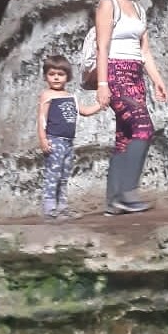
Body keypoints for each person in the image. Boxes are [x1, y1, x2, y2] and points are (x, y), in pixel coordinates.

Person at [95, 0, 168, 216]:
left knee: (125, 138)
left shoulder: (138, 8)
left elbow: (145, 51)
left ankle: (113, 201)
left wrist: (157, 80)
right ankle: (128, 193)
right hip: (116, 72)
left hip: (136, 75)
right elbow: (102, 46)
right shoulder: (107, 4)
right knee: (143, 129)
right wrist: (102, 83)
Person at [38, 54, 102, 221]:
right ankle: (50, 209)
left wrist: (101, 105)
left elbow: (85, 111)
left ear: (67, 76)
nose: (56, 77)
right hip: (54, 140)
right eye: (52, 74)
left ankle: (62, 208)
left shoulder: (71, 96)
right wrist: (43, 139)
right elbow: (42, 119)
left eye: (60, 74)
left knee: (64, 176)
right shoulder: (47, 95)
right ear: (46, 76)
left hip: (68, 142)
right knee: (53, 175)